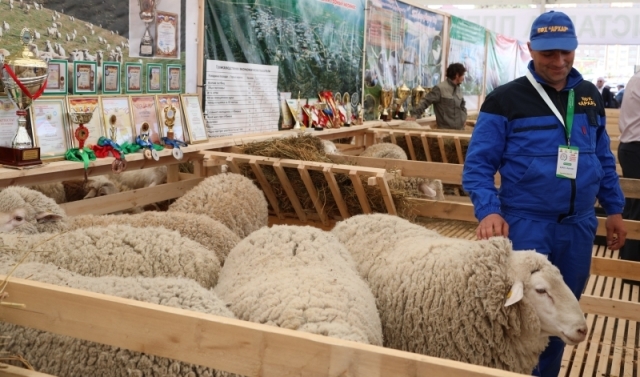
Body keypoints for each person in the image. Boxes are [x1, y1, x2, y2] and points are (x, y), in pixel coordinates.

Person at [461, 11, 626, 377]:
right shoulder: (504, 100)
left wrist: (614, 209)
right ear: (531, 49)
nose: (559, 61)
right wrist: (488, 210)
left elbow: (601, 156)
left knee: (560, 316)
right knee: (518, 316)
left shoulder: (588, 97)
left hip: (578, 227)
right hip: (525, 224)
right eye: (549, 53)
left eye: (566, 52)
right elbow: (478, 166)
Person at [618, 72, 640, 264]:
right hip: (636, 148)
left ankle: (628, 258)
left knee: (635, 206)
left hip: (632, 148)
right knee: (637, 207)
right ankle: (631, 264)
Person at [407, 62, 467, 129]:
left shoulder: (458, 89)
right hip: (445, 132)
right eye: (463, 75)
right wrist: (414, 115)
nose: (463, 78)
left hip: (460, 130)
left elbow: (462, 106)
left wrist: (464, 119)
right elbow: (426, 101)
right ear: (457, 75)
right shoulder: (439, 88)